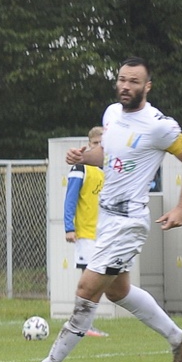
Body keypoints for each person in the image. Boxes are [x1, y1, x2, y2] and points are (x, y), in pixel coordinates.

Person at [7, 57, 182, 362]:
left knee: (86, 290)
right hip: (107, 217)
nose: (126, 86)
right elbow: (110, 159)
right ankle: (178, 338)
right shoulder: (112, 113)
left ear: (147, 86)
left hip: (128, 221)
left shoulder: (160, 125)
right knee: (117, 291)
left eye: (134, 82)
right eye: (122, 80)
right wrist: (84, 157)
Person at [63, 126, 108, 337]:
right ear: (90, 144)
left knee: (102, 280)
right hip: (86, 234)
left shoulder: (106, 170)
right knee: (88, 280)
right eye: (96, 144)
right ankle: (82, 324)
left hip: (103, 233)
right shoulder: (81, 169)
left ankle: (86, 323)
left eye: (102, 144)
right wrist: (69, 227)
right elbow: (70, 198)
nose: (99, 147)